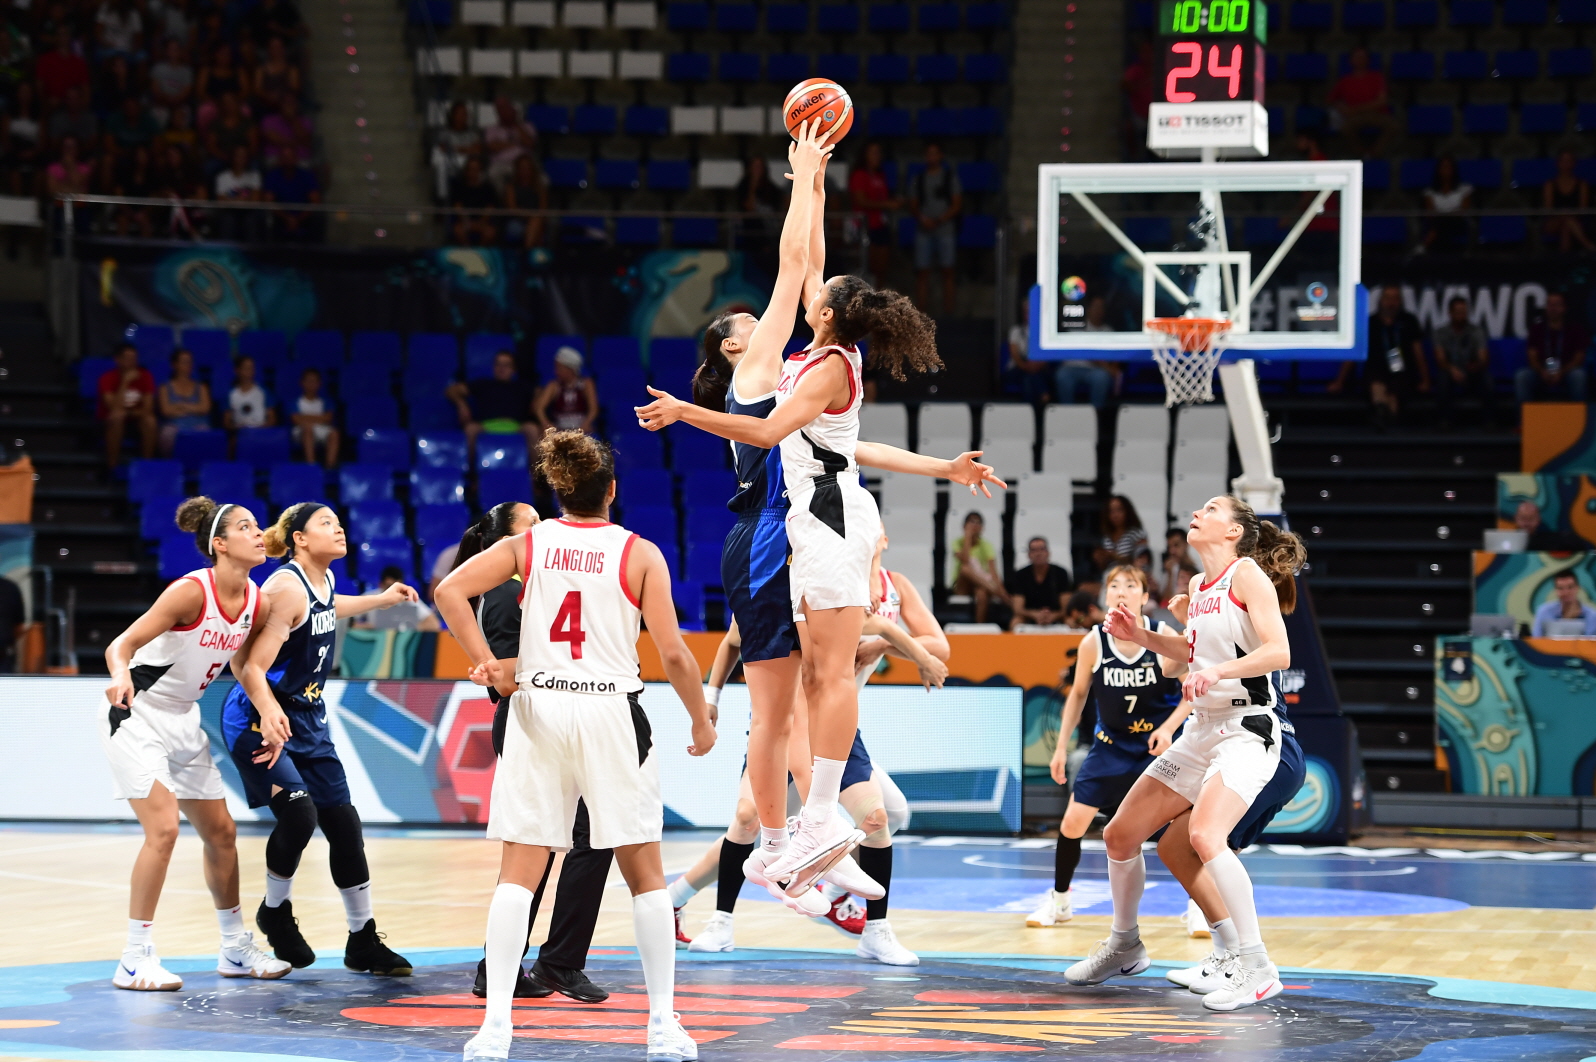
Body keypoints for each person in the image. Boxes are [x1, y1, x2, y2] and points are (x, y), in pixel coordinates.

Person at [636, 120, 1001, 911]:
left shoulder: (812, 363)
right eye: (743, 322)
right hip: (774, 532)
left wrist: (811, 176)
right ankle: (792, 838)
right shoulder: (769, 368)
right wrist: (808, 176)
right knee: (790, 701)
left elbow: (808, 266)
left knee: (791, 700)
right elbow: (800, 265)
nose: (761, 315)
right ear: (735, 350)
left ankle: (794, 841)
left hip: (797, 528)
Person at [433, 430, 718, 1062]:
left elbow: (448, 590)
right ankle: (663, 1027)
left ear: (559, 492)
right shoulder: (639, 553)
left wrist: (486, 663)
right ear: (611, 491)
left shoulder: (526, 544)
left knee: (518, 876)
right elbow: (672, 653)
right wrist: (701, 718)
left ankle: (495, 1030)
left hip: (539, 708)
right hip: (610, 709)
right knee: (644, 876)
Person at [1068, 496, 1306, 1013]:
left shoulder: (1247, 575)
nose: (1199, 511)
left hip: (1247, 727)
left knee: (1204, 834)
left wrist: (1216, 674)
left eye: (1212, 508)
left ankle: (1257, 967)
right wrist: (1144, 636)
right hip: (1202, 731)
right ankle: (1125, 945)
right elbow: (1193, 654)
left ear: (1234, 532)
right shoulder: (1197, 587)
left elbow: (1279, 651)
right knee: (1119, 832)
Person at [100, 497, 291, 991]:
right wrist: (120, 675)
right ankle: (134, 957)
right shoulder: (189, 593)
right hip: (137, 713)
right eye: (245, 527)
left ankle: (234, 947)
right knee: (163, 831)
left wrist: (269, 710)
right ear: (220, 545)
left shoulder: (257, 601)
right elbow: (120, 644)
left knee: (222, 833)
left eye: (257, 526)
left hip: (184, 719)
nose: (258, 533)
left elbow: (245, 668)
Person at [221, 502, 419, 976]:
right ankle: (275, 912)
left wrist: (381, 599)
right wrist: (269, 714)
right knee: (300, 813)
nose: (340, 528)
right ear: (300, 539)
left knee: (345, 827)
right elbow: (249, 667)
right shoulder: (285, 588)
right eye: (326, 523)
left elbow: (331, 606)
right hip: (258, 718)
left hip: (307, 718)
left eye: (339, 521)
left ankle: (362, 939)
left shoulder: (322, 580)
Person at [449, 502, 614, 1003]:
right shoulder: (501, 593)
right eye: (534, 524)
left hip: (561, 719)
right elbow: (503, 676)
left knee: (580, 840)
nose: (546, 531)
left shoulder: (538, 585)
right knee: (548, 845)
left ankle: (536, 964)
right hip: (532, 722)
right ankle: (534, 963)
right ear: (509, 541)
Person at [1028, 565, 1187, 928]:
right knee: (1072, 823)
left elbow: (1191, 693)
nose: (1121, 591)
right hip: (1111, 747)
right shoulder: (1094, 641)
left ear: (1145, 597)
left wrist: (1168, 729)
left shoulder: (1162, 634)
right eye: (1113, 584)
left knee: (1185, 830)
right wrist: (1060, 748)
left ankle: (1196, 907)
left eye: (1131, 585)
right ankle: (1060, 901)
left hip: (1155, 747)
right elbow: (1078, 695)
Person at [1333, 284, 1428, 428]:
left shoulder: (1409, 321)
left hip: (1402, 371)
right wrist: (1340, 381)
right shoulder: (1370, 322)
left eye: (1395, 299)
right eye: (1388, 298)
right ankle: (1382, 414)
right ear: (1380, 300)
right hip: (1376, 370)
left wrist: (1425, 379)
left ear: (1401, 301)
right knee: (1377, 385)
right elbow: (1354, 354)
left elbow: (1418, 352)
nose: (1391, 303)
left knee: (1395, 392)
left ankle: (1385, 421)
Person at [446, 349, 537, 452]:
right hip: (486, 426)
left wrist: (536, 403)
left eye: (506, 365)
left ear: (514, 369)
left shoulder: (522, 386)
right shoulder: (483, 384)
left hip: (515, 426)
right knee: (470, 429)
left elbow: (542, 393)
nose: (502, 368)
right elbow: (451, 390)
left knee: (532, 429)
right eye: (498, 364)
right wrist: (461, 404)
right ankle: (470, 468)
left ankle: (535, 468)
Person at [908, 141, 961, 315]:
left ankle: (949, 313)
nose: (932, 157)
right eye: (929, 153)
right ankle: (921, 314)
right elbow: (914, 204)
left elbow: (957, 204)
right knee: (922, 273)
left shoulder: (949, 177)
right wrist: (924, 219)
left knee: (948, 271)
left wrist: (939, 220)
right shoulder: (919, 179)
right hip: (924, 230)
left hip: (945, 230)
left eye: (935, 153)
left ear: (941, 156)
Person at [1431, 295, 1494, 427]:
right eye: (1458, 312)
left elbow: (1484, 358)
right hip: (1450, 371)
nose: (1462, 315)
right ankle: (1445, 421)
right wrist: (1452, 369)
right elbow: (1440, 359)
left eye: (1464, 312)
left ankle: (1489, 421)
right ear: (1450, 313)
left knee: (1487, 378)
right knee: (1442, 377)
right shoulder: (1440, 332)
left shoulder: (1476, 331)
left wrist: (1475, 366)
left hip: (1471, 370)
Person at [1517, 292, 1588, 404]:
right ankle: (1523, 420)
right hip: (1541, 372)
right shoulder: (1537, 329)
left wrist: (1561, 372)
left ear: (1564, 308)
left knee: (1578, 375)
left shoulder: (1575, 329)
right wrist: (1542, 371)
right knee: (1522, 376)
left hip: (1566, 372)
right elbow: (1532, 356)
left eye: (1557, 305)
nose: (1552, 308)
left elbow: (1578, 357)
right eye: (1549, 304)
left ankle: (1579, 420)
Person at [848, 140, 899, 288]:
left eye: (879, 152)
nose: (877, 156)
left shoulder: (880, 175)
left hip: (880, 225)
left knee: (881, 270)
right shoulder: (859, 175)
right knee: (865, 268)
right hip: (865, 226)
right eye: (873, 152)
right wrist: (887, 204)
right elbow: (860, 201)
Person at [99, 341, 157, 469]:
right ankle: (112, 465)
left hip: (135, 418)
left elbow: (148, 408)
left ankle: (147, 465)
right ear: (117, 360)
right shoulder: (107, 378)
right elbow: (112, 408)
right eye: (128, 358)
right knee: (117, 416)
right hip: (111, 420)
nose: (132, 362)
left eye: (134, 358)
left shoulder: (145, 376)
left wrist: (130, 413)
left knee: (150, 421)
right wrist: (125, 382)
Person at [1327, 47, 1392, 157]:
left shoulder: (1377, 77)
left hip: (1376, 114)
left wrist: (1355, 109)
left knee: (1393, 126)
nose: (1360, 60)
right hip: (1354, 117)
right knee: (1345, 129)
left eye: (1362, 57)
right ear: (1351, 60)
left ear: (1367, 60)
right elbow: (1331, 100)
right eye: (1357, 57)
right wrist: (1342, 108)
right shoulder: (1345, 81)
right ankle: (1361, 154)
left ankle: (1375, 153)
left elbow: (1382, 101)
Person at [949, 510, 1006, 624]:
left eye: (978, 522)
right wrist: (968, 537)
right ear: (964, 525)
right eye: (971, 522)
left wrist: (1001, 588)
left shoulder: (987, 545)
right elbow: (965, 559)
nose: (975, 525)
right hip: (962, 585)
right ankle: (996, 593)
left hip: (982, 583)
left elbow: (992, 571)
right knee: (965, 569)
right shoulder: (957, 542)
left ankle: (979, 626)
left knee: (981, 593)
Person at [157, 348, 212, 456]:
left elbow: (205, 408)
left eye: (190, 362)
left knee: (204, 432)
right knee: (168, 433)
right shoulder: (165, 388)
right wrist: (194, 408)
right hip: (174, 426)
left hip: (197, 425)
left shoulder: (201, 387)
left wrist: (181, 406)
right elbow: (166, 410)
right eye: (184, 362)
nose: (188, 365)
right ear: (174, 364)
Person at [1007, 536, 1072, 628]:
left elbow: (1066, 607)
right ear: (1029, 555)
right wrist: (1034, 614)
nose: (1038, 554)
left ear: (1048, 553)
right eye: (1034, 550)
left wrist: (1053, 616)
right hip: (1029, 616)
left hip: (1056, 615)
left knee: (1071, 622)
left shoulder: (1061, 573)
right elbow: (1017, 608)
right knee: (1015, 622)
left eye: (1042, 549)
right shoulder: (1020, 575)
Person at [533, 346, 598, 436]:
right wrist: (546, 423)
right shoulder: (554, 385)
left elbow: (593, 409)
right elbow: (539, 408)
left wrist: (586, 424)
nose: (556, 372)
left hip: (581, 427)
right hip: (559, 428)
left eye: (559, 368)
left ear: (570, 369)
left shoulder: (586, 384)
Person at [262, 145, 322, 242]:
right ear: (280, 159)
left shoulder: (307, 176)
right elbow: (268, 201)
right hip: (280, 217)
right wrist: (287, 218)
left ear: (296, 158)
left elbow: (315, 201)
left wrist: (298, 219)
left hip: (304, 218)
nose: (288, 160)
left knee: (319, 218)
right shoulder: (272, 176)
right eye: (285, 157)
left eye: (291, 157)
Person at [354, 566, 440, 631]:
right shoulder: (370, 598)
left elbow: (434, 624)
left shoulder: (409, 598)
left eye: (396, 587)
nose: (392, 591)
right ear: (381, 584)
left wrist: (410, 628)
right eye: (388, 586)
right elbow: (346, 620)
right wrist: (366, 627)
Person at [1416, 156, 1472, 256]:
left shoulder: (1465, 189)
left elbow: (1464, 211)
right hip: (1437, 221)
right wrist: (1447, 214)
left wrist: (1446, 214)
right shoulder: (1429, 192)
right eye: (1443, 167)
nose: (1446, 170)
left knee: (1442, 222)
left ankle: (1424, 245)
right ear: (1438, 170)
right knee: (1439, 221)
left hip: (1457, 223)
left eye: (1449, 167)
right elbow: (1430, 213)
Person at [1004, 294, 1053, 405]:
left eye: (1031, 311)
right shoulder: (1015, 331)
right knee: (1030, 377)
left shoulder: (1044, 332)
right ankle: (1044, 397)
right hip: (1017, 369)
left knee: (1029, 380)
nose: (1028, 315)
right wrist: (1026, 366)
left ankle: (1030, 414)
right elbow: (1015, 355)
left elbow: (1047, 355)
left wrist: (1036, 366)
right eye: (1026, 312)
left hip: (1039, 369)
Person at [1543, 150, 1593, 253]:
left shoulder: (1582, 185)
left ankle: (1565, 259)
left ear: (1574, 163)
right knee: (1566, 220)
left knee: (1567, 225)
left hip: (1576, 220)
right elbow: (1548, 208)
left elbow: (1582, 208)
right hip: (1553, 221)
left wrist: (1568, 214)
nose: (1566, 164)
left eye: (1569, 161)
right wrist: (1562, 214)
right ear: (1558, 163)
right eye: (1563, 161)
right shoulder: (1550, 185)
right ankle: (1590, 246)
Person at [288, 367, 338, 467]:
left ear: (319, 384)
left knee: (334, 434)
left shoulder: (326, 402)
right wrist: (319, 418)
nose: (311, 384)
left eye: (314, 381)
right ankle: (311, 466)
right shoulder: (295, 402)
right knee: (308, 429)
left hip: (320, 430)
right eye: (309, 381)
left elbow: (328, 418)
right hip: (300, 431)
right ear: (302, 383)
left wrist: (305, 417)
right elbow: (296, 419)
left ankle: (330, 466)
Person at [483, 95, 538, 186]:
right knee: (492, 174)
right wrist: (517, 143)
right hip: (501, 164)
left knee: (544, 180)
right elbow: (492, 146)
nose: (504, 111)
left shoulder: (527, 126)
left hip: (524, 164)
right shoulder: (491, 129)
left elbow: (530, 143)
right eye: (500, 109)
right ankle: (504, 200)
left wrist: (515, 123)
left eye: (506, 107)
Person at [431, 101, 480, 201]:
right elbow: (442, 149)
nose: (463, 116)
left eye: (465, 114)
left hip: (467, 161)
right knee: (441, 161)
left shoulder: (472, 134)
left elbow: (477, 150)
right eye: (460, 113)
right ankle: (442, 199)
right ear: (453, 115)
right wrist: (464, 149)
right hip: (449, 160)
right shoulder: (445, 132)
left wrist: (455, 149)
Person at [214, 144, 263, 242]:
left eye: (244, 156)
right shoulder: (222, 177)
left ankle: (252, 253)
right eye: (238, 155)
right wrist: (243, 198)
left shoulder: (254, 176)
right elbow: (220, 201)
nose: (241, 159)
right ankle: (226, 252)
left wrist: (231, 199)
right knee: (228, 220)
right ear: (232, 157)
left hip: (248, 211)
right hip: (229, 211)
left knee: (251, 220)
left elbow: (255, 199)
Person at [450, 156, 499, 246]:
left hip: (483, 222)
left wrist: (482, 221)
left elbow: (490, 207)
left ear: (480, 171)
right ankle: (468, 251)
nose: (473, 172)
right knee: (458, 230)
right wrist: (466, 221)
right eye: (471, 169)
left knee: (490, 232)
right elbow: (458, 206)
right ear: (466, 171)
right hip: (464, 221)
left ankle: (480, 251)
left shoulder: (488, 188)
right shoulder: (459, 187)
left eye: (476, 169)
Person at [1094, 494, 1149, 574]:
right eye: (1111, 511)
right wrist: (1100, 559)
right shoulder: (1107, 538)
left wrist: (1115, 556)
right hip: (1110, 576)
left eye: (1119, 510)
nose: (1115, 515)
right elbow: (1105, 567)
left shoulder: (1137, 534)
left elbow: (1142, 562)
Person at [501, 153, 547, 248]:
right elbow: (512, 209)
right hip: (517, 221)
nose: (524, 171)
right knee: (534, 225)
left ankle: (526, 250)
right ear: (517, 169)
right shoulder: (511, 187)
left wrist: (533, 217)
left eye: (527, 168)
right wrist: (528, 215)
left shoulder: (539, 187)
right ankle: (528, 252)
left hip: (536, 220)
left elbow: (543, 210)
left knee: (536, 223)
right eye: (522, 168)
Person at [1532, 571, 1596, 636]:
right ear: (1555, 590)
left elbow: (1592, 643)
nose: (1566, 592)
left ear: (1577, 588)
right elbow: (1536, 639)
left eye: (1570, 587)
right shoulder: (1544, 611)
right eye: (1560, 588)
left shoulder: (1591, 615)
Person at [224, 355, 276, 432]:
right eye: (246, 368)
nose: (249, 371)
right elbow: (226, 422)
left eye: (251, 368)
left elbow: (272, 419)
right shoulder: (230, 394)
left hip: (261, 433)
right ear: (237, 370)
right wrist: (237, 429)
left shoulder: (264, 392)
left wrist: (259, 429)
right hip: (239, 434)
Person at [1514, 499, 1582, 552]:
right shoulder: (1508, 542)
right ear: (1516, 519)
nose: (1526, 524)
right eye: (1523, 519)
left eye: (1531, 519)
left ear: (1538, 519)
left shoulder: (1553, 542)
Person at [1158, 527, 1200, 604]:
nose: (1172, 551)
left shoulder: (1200, 565)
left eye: (1176, 545)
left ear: (1186, 544)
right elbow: (1164, 601)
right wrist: (1170, 575)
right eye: (1169, 547)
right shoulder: (1169, 569)